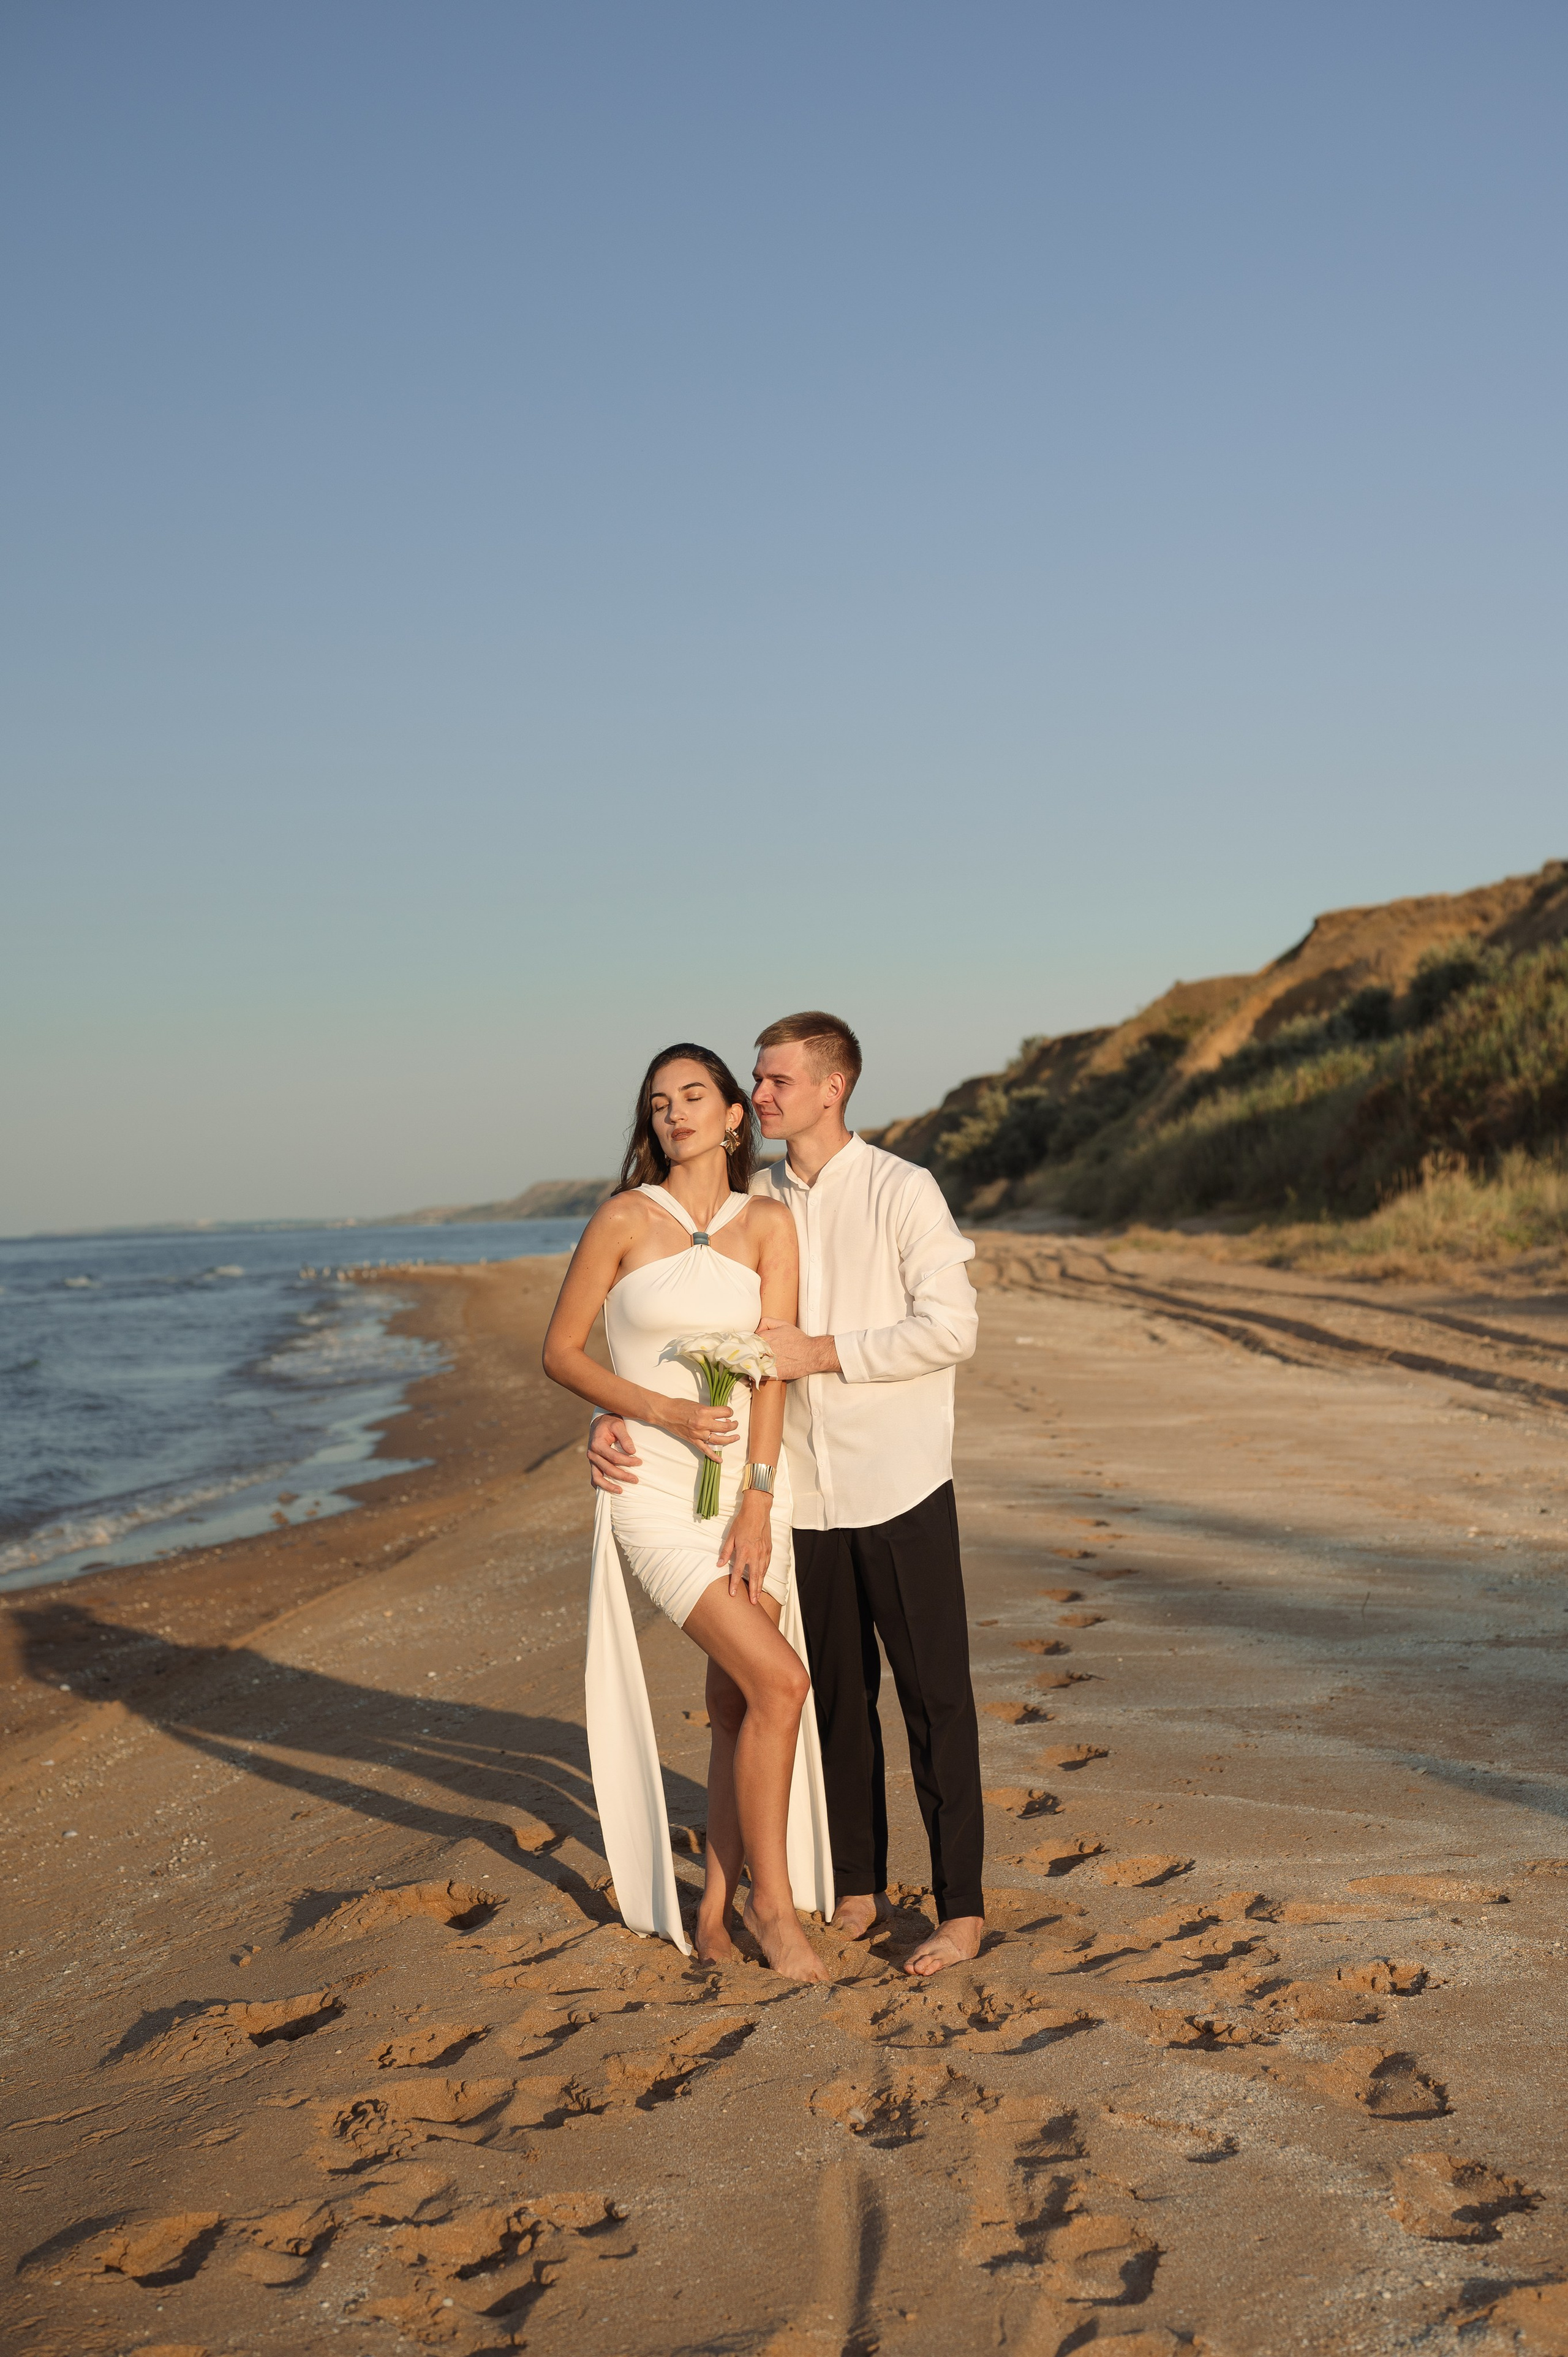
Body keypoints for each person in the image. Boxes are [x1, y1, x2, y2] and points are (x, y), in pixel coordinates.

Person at [590, 1013, 984, 1977]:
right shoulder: (750, 1200)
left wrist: (830, 1355)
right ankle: (856, 1886)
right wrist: (614, 1420)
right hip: (793, 1494)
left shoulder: (903, 1188)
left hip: (899, 1482)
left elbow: (953, 1328)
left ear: (830, 1088)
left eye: (774, 1082)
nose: (760, 1097)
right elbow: (674, 1330)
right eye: (756, 1084)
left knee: (935, 1700)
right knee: (841, 1697)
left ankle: (962, 1909)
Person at [543, 1042, 831, 1982]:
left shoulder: (768, 1227)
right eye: (659, 1102)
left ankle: (714, 1908)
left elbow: (775, 1371)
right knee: (783, 1684)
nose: (675, 1114)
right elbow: (563, 1351)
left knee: (736, 1702)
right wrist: (649, 1410)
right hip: (655, 1494)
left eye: (694, 1096)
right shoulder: (624, 1218)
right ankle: (773, 1910)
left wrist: (757, 1500)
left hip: (748, 1495)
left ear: (734, 1115)